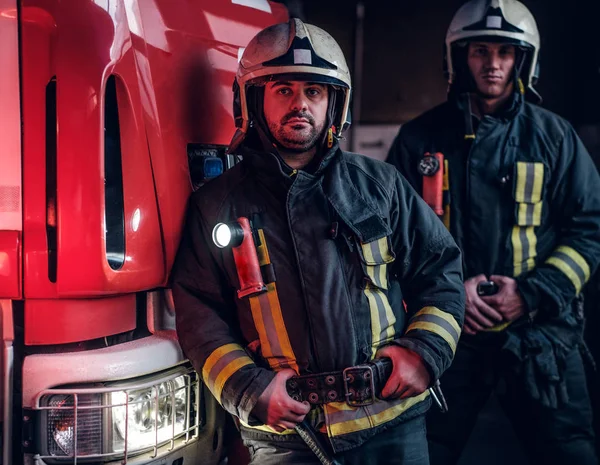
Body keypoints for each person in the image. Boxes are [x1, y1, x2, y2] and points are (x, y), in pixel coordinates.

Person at [172, 18, 465, 465]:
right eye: (283, 90)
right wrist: (249, 388)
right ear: (252, 99)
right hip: (288, 437)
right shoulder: (216, 205)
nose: (300, 105)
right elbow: (198, 312)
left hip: (394, 425)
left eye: (314, 92)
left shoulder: (380, 186)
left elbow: (440, 270)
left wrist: (424, 352)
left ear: (334, 103)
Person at [387, 1, 600, 464]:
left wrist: (531, 293)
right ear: (458, 57)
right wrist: (448, 297)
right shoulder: (418, 140)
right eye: (480, 51)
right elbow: (388, 244)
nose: (493, 64)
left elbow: (589, 232)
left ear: (524, 59)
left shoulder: (556, 138)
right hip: (446, 339)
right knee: (420, 454)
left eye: (505, 52)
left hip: (539, 336)